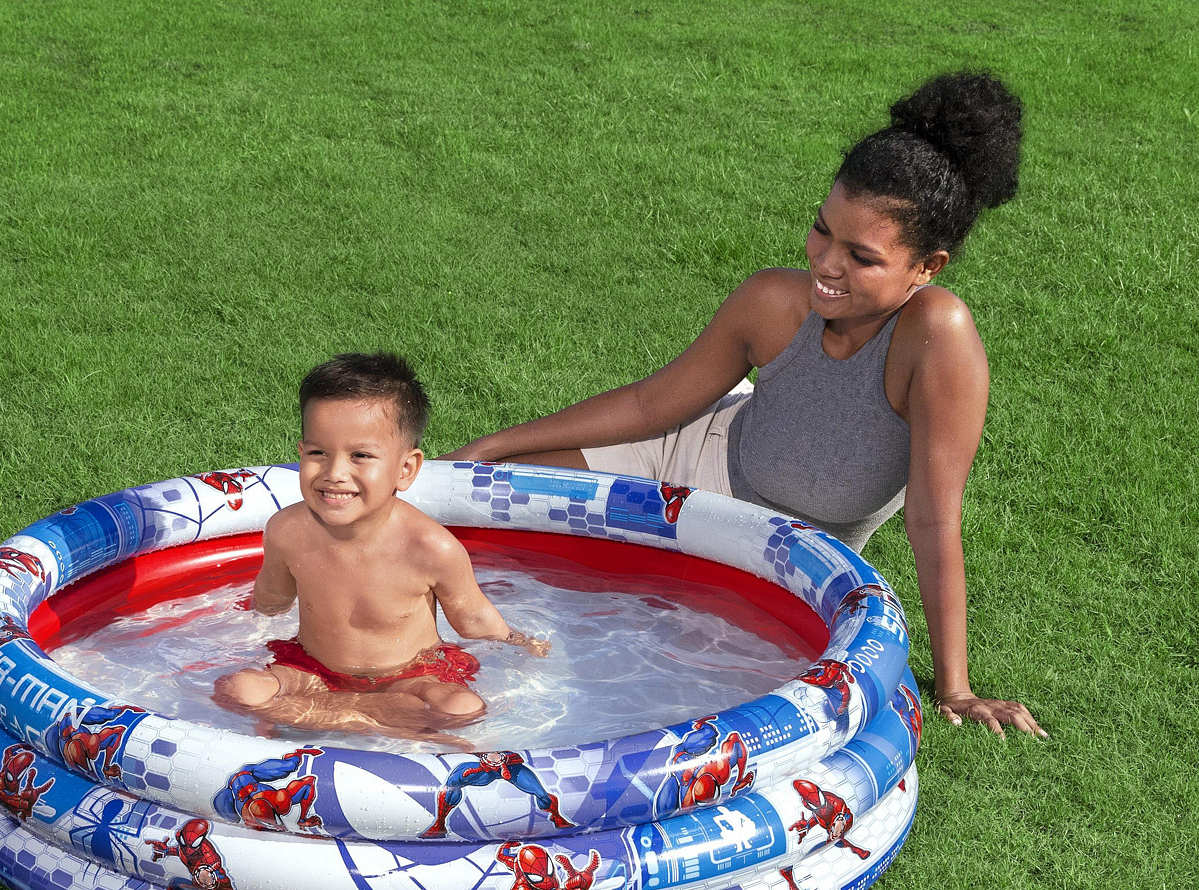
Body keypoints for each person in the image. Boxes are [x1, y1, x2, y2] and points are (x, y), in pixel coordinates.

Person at [446, 71, 1044, 739]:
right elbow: (651, 405)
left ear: (928, 267)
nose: (826, 264)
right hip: (683, 456)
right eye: (822, 230)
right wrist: (495, 447)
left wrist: (956, 688)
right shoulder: (774, 302)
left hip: (780, 550)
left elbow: (933, 519)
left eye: (862, 256)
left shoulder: (935, 339)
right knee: (489, 516)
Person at [215, 352, 548, 742]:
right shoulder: (287, 531)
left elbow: (472, 618)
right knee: (238, 689)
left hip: (408, 678)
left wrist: (519, 643)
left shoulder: (430, 547)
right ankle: (386, 720)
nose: (335, 473)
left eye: (360, 456)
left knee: (461, 708)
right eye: (319, 453)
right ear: (302, 453)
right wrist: (231, 626)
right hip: (314, 672)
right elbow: (271, 599)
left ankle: (325, 718)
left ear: (405, 469)